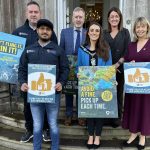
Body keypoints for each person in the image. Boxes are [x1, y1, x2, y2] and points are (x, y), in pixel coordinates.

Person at [18, 19, 69, 150]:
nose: (45, 31)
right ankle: (37, 148)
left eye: (48, 29)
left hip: (53, 94)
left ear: (51, 32)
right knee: (37, 125)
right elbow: (22, 69)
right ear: (38, 31)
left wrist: (61, 82)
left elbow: (65, 69)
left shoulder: (58, 50)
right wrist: (23, 82)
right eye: (42, 29)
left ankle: (55, 147)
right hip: (34, 94)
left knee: (52, 124)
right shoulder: (29, 50)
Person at [12, 1, 58, 142]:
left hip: (45, 77)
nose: (33, 14)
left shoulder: (49, 32)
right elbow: (13, 58)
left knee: (44, 104)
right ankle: (30, 130)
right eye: (30, 12)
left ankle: (45, 129)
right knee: (27, 105)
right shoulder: (18, 32)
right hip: (27, 79)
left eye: (35, 12)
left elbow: (56, 53)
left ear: (40, 13)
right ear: (27, 13)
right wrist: (20, 81)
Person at [77, 22, 112, 149]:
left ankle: (98, 136)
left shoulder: (106, 48)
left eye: (97, 30)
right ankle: (90, 135)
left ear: (100, 33)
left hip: (101, 85)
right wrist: (78, 74)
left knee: (100, 111)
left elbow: (109, 68)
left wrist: (110, 79)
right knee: (90, 111)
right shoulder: (82, 49)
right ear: (88, 32)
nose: (94, 33)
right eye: (91, 30)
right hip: (87, 86)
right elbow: (78, 67)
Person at [122, 17, 150, 150]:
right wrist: (129, 64)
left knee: (144, 109)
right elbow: (126, 61)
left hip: (146, 86)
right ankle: (133, 134)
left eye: (142, 26)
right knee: (133, 109)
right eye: (137, 27)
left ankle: (143, 136)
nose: (140, 29)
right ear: (134, 30)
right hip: (133, 85)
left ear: (147, 28)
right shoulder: (131, 45)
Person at [103, 7, 131, 127]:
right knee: (106, 92)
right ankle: (106, 117)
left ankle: (116, 118)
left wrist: (118, 64)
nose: (114, 19)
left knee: (118, 93)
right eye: (112, 17)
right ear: (108, 19)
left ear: (119, 18)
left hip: (120, 68)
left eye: (116, 16)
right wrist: (109, 67)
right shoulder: (104, 33)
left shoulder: (125, 32)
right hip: (107, 69)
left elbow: (127, 51)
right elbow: (101, 50)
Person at [60, 7, 86, 126]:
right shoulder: (64, 32)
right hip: (68, 67)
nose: (78, 19)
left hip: (82, 67)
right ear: (72, 18)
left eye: (80, 17)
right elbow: (61, 50)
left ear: (84, 19)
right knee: (69, 91)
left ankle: (81, 115)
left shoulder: (88, 33)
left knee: (81, 91)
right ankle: (69, 115)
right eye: (76, 17)